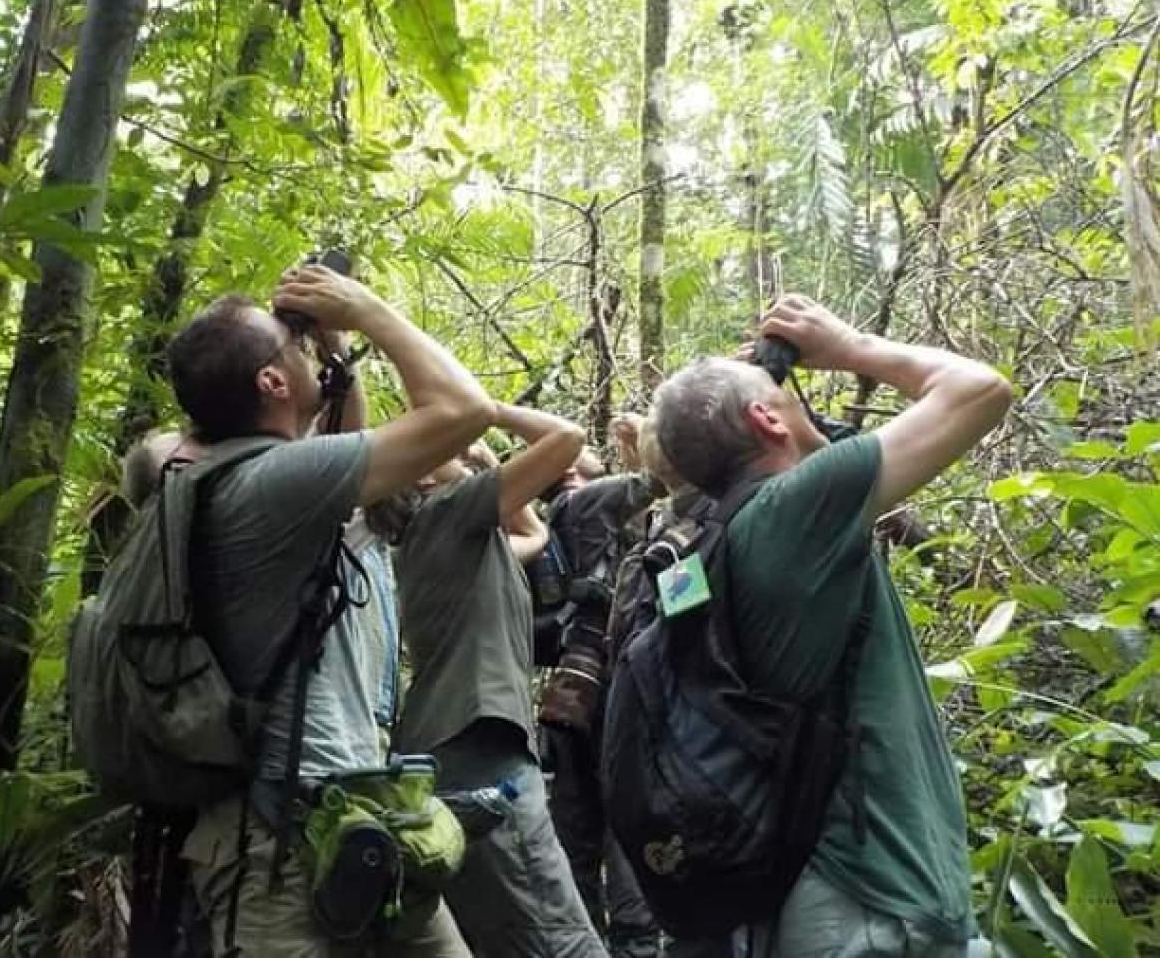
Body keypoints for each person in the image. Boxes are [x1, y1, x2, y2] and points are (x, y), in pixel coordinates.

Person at [652, 294, 1012, 956]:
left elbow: (818, 450)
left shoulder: (723, 533)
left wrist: (758, 393)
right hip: (871, 901)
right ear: (766, 420)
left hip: (817, 891)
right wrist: (849, 347)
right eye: (778, 398)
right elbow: (979, 389)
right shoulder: (793, 511)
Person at [168, 265, 496, 957]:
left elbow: (347, 440)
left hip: (358, 814)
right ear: (271, 382)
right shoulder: (271, 481)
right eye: (290, 343)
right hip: (277, 847)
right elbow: (466, 409)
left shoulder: (259, 478)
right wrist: (366, 309)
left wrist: (335, 353)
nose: (303, 346)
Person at [392, 403, 609, 958]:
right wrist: (485, 412)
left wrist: (480, 461)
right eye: (447, 449)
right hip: (481, 749)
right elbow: (567, 437)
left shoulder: (455, 542)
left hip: (452, 747)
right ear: (422, 476)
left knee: (507, 939)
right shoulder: (447, 512)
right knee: (563, 939)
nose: (465, 454)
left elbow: (533, 531)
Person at [536, 415, 663, 958]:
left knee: (577, 829)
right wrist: (646, 441)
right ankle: (634, 944)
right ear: (565, 469)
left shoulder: (572, 518)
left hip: (575, 695)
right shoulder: (582, 503)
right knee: (624, 823)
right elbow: (661, 483)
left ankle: (586, 939)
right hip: (609, 693)